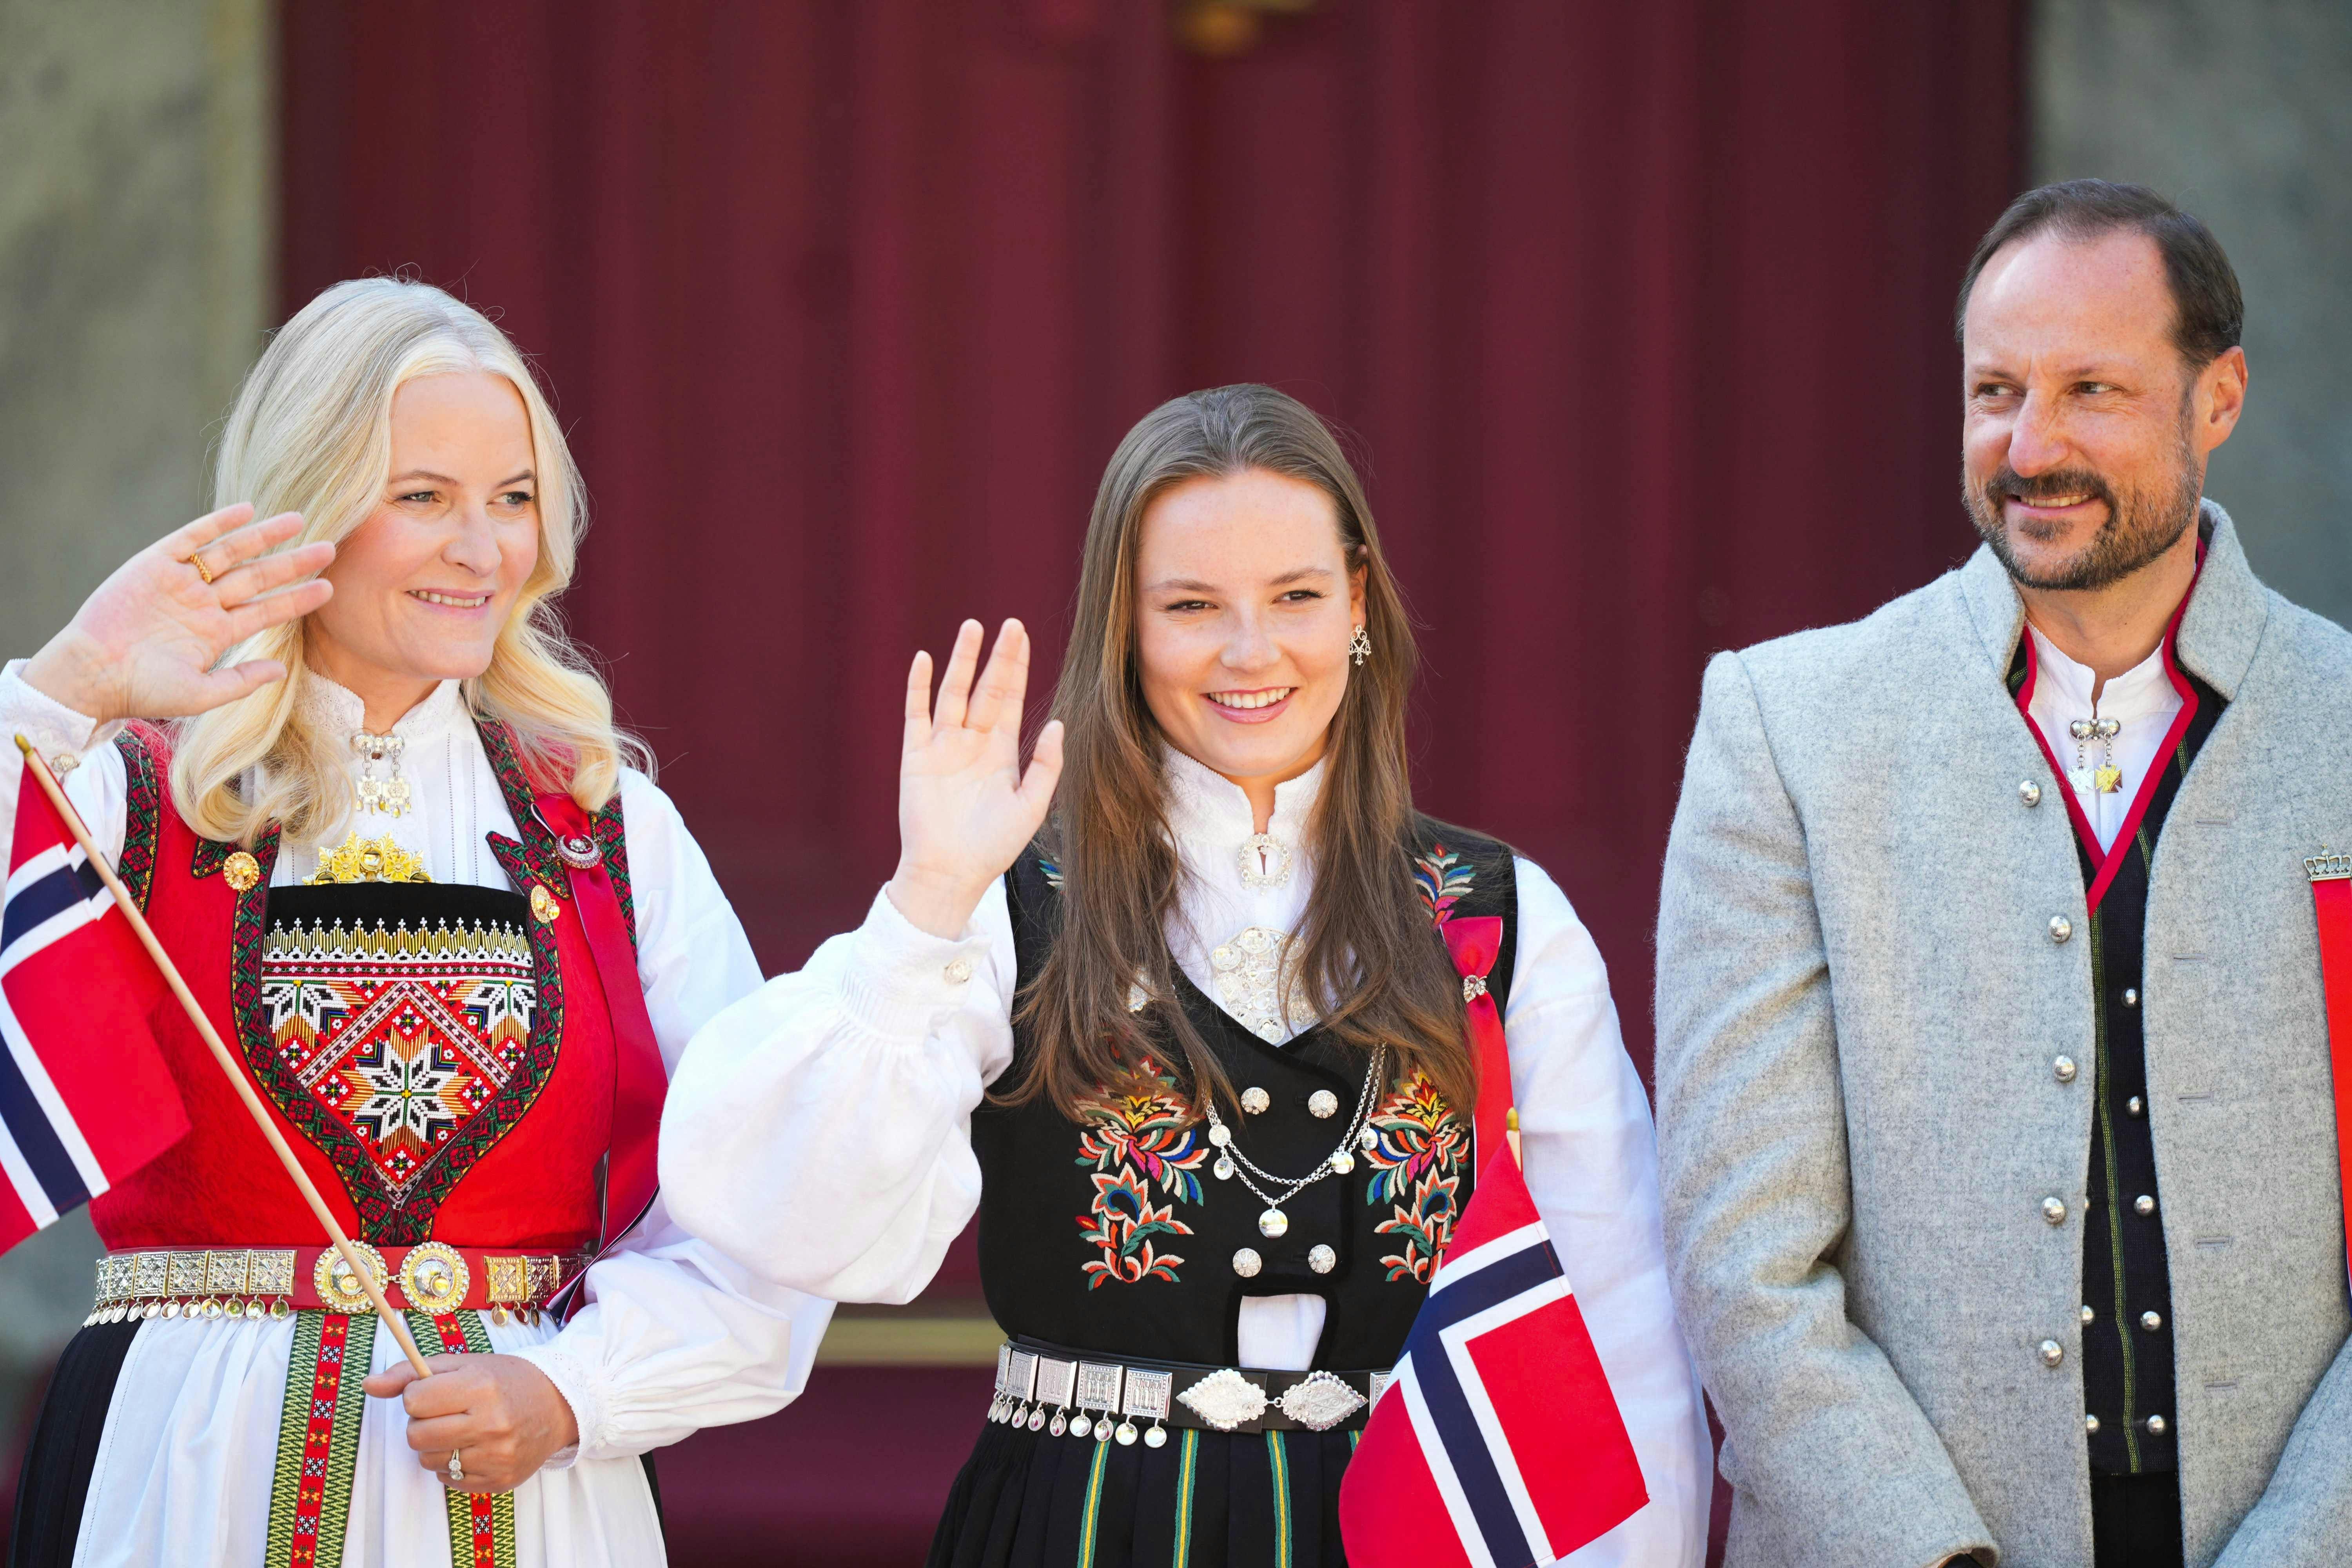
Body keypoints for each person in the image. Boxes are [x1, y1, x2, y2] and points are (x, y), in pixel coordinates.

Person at [662, 383, 1711, 1566]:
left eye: (1298, 598)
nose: (1251, 652)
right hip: (1082, 1526)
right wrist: (926, 903)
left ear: (1358, 604)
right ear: (1127, 625)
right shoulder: (1007, 901)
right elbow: (789, 1220)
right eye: (1193, 606)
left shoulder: (1500, 915)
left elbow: (1616, 1304)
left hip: (1417, 1527)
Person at [2, 277, 830, 1568]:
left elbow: (761, 1191)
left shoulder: (609, 824)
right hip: (190, 1472)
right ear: (307, 508)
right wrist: (65, 691)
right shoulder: (125, 789)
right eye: (423, 497)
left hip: (528, 1485)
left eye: (511, 499)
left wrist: (579, 1392)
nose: (483, 550)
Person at [1655, 179, 2352, 1568]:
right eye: (1995, 392)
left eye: (2091, 389)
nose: (2032, 446)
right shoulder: (1787, 730)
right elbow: (1747, 1264)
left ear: (2217, 399)